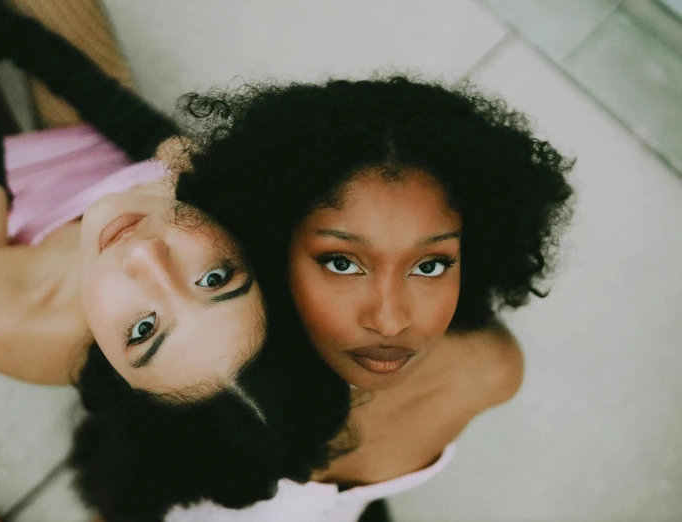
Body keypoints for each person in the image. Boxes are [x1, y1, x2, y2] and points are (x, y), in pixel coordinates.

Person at [0, 1, 349, 520]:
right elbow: (137, 127)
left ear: (114, 375)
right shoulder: (216, 212)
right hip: (106, 159)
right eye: (215, 278)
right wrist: (12, 36)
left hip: (1, 196)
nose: (142, 255)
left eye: (142, 330)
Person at [168, 77, 575, 520]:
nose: (388, 321)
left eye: (431, 265)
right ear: (271, 246)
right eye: (342, 262)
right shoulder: (187, 362)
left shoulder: (487, 372)